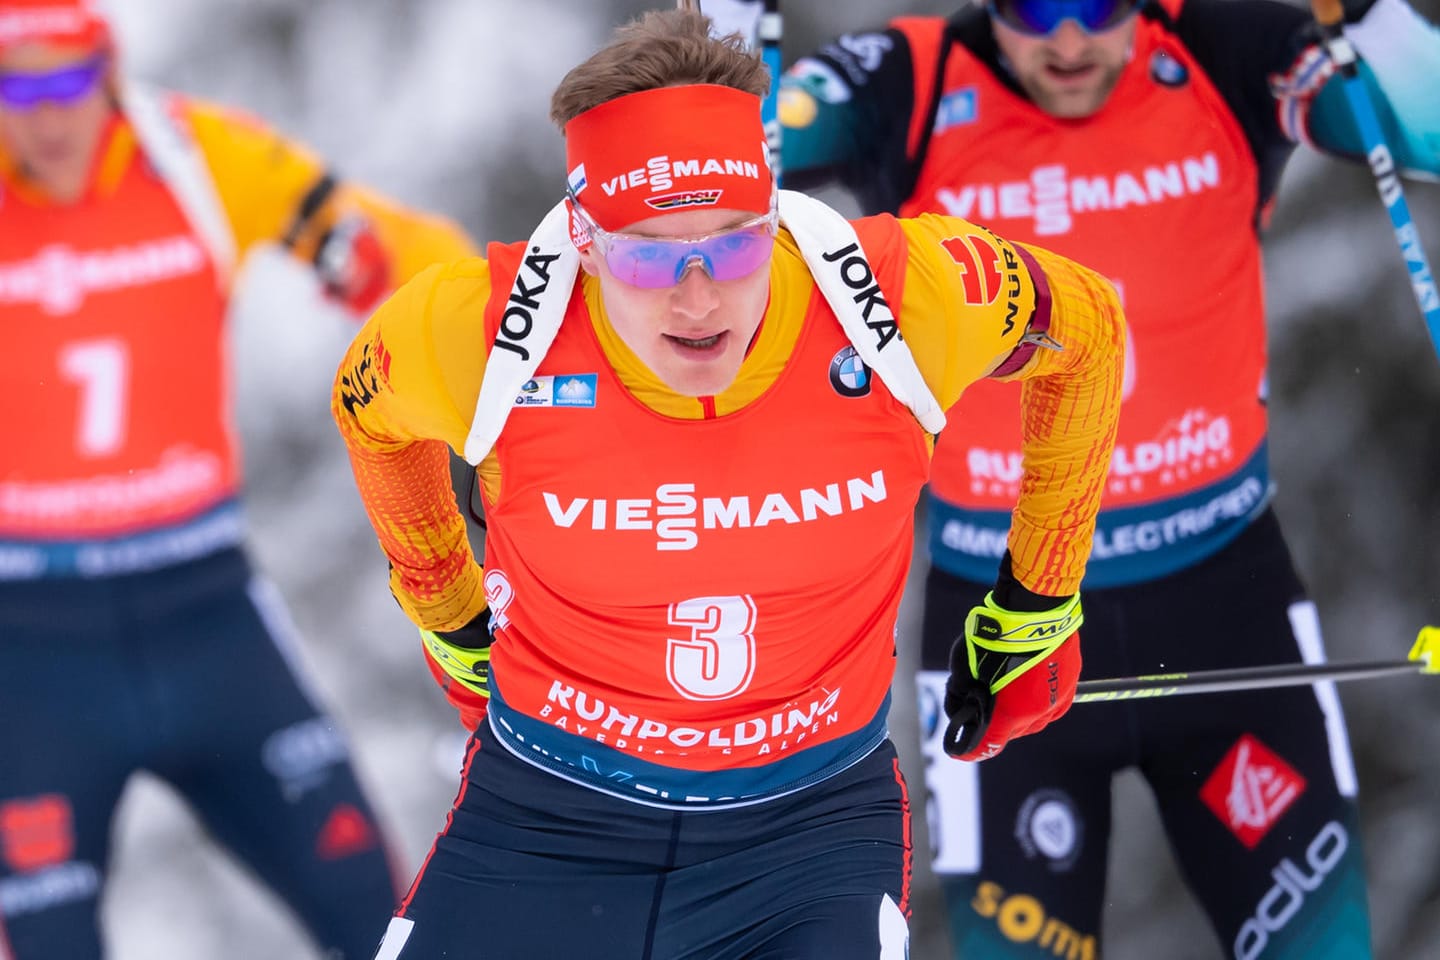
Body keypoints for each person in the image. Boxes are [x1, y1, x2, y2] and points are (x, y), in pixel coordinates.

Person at [331, 8, 1126, 959]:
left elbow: (1088, 332)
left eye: (738, 243)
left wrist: (1039, 599)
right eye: (651, 255)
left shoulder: (898, 299)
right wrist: (448, 610)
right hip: (546, 826)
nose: (700, 297)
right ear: (583, 238)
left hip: (809, 834)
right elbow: (366, 410)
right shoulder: (480, 330)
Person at [779, 0, 1440, 956]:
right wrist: (726, 62)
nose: (1069, 38)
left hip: (1226, 602)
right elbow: (733, 173)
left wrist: (1375, 14)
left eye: (1099, 4)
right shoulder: (908, 79)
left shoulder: (1223, 46)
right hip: (1000, 629)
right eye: (1034, 7)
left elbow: (1419, 129)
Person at [0, 0, 477, 956]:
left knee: (381, 926)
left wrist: (473, 337)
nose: (47, 116)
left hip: (206, 615)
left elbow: (423, 257)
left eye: (68, 82)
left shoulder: (194, 157)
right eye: (19, 87)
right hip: (31, 648)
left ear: (108, 72)